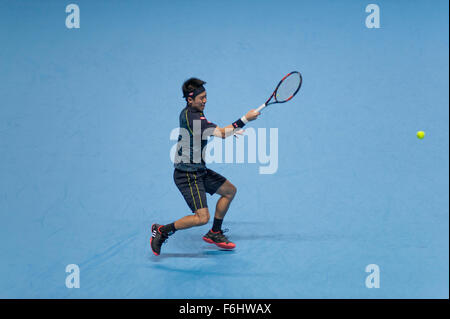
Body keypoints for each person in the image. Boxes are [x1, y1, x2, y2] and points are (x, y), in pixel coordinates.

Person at [150, 78, 260, 255]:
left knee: (230, 191)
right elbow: (222, 134)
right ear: (189, 100)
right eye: (201, 98)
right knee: (202, 218)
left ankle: (215, 233)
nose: (205, 100)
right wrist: (246, 119)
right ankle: (162, 231)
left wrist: (231, 130)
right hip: (186, 175)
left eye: (206, 97)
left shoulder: (192, 113)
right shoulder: (193, 119)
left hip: (199, 170)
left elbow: (219, 131)